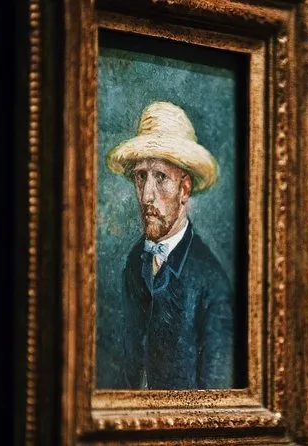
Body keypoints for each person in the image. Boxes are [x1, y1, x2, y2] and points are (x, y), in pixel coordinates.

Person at [106, 101, 234, 389]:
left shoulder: (212, 284)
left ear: (184, 189)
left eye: (161, 177)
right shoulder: (135, 260)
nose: (146, 196)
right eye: (141, 176)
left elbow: (216, 399)